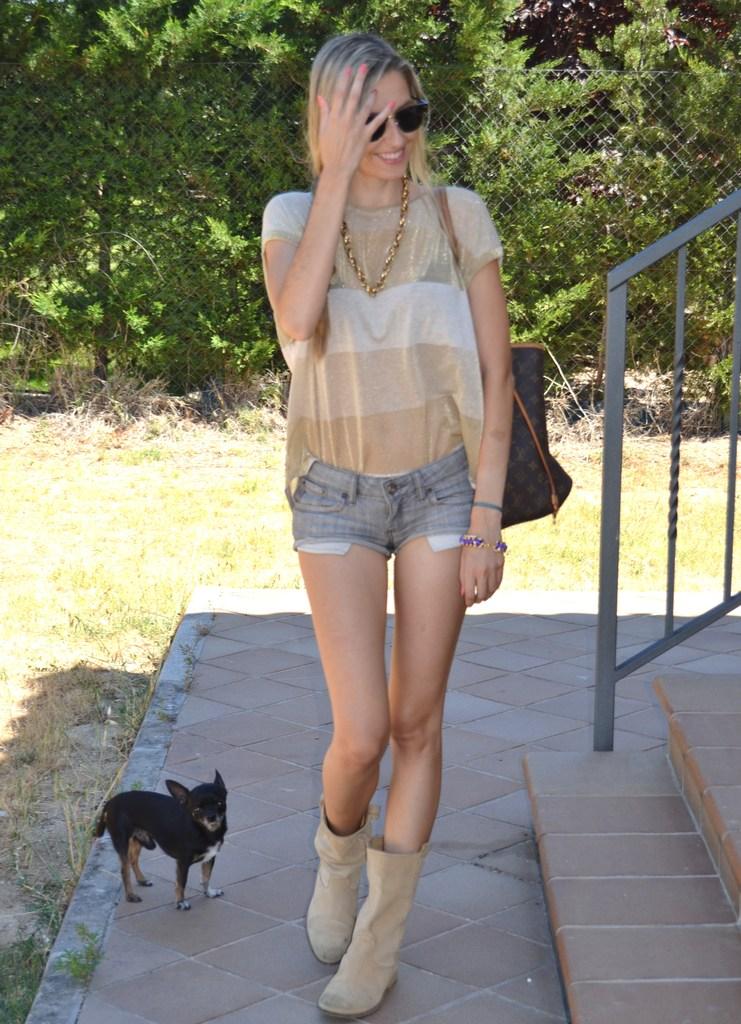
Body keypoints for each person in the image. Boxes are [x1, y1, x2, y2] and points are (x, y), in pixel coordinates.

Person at [261, 32, 513, 1018]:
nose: (401, 137)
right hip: (333, 491)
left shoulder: (460, 218)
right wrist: (334, 178)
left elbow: (495, 378)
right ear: (333, 123)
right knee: (360, 733)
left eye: (411, 116)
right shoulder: (292, 215)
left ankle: (378, 938)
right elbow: (295, 321)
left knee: (417, 721)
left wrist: (489, 515)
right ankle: (336, 857)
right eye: (377, 121)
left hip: (444, 489)